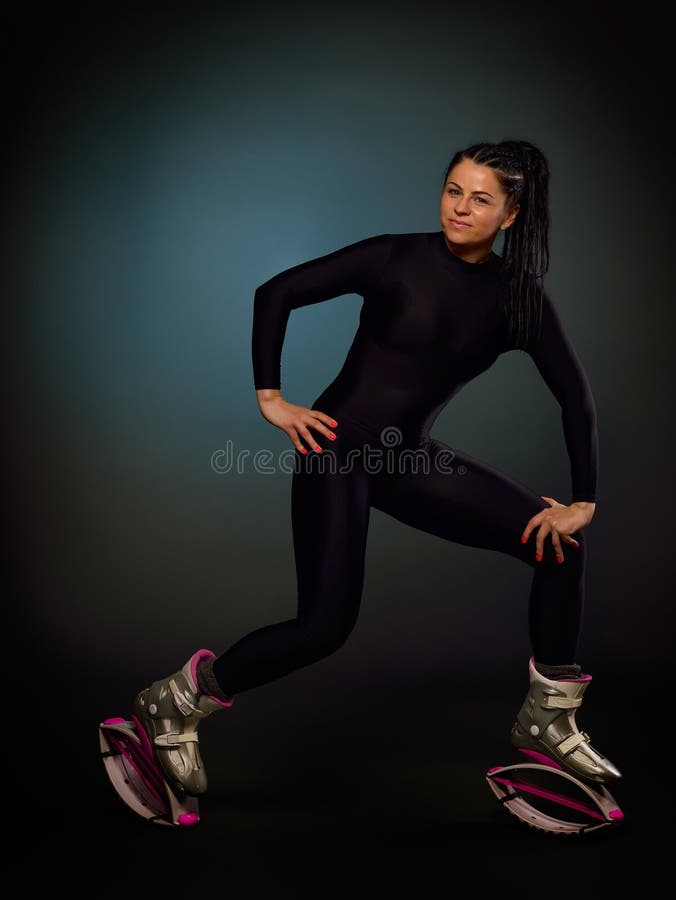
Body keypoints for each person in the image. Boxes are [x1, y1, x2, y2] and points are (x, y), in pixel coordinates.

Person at [132, 139, 622, 803]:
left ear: (510, 216)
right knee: (324, 627)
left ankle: (549, 714)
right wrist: (271, 400)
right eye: (453, 190)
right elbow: (277, 292)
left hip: (405, 458)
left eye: (481, 199)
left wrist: (584, 498)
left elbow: (575, 396)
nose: (460, 207)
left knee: (557, 541)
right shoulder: (396, 257)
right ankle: (178, 699)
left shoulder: (519, 300)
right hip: (336, 452)